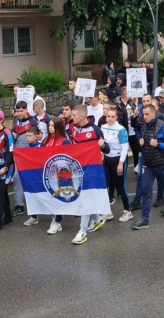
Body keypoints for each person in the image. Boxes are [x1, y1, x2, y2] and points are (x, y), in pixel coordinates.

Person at [131, 104, 164, 230]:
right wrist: (140, 143)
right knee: (145, 191)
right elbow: (143, 142)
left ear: (154, 114)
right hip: (148, 165)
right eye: (143, 114)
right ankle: (144, 219)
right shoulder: (144, 126)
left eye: (147, 114)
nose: (144, 116)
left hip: (161, 165)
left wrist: (158, 144)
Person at [69, 104, 107, 244]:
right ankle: (97, 219)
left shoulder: (96, 130)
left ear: (82, 116)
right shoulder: (73, 128)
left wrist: (102, 146)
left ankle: (82, 232)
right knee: (84, 198)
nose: (72, 117)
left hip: (92, 170)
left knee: (85, 200)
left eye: (74, 115)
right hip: (78, 169)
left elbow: (107, 149)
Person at [101, 109, 133, 223]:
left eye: (112, 117)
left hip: (118, 160)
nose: (110, 119)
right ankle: (107, 212)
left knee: (121, 187)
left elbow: (124, 147)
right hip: (107, 160)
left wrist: (121, 163)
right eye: (108, 116)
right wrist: (102, 155)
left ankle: (127, 211)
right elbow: (102, 144)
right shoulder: (103, 128)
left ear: (116, 118)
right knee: (103, 186)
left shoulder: (121, 129)